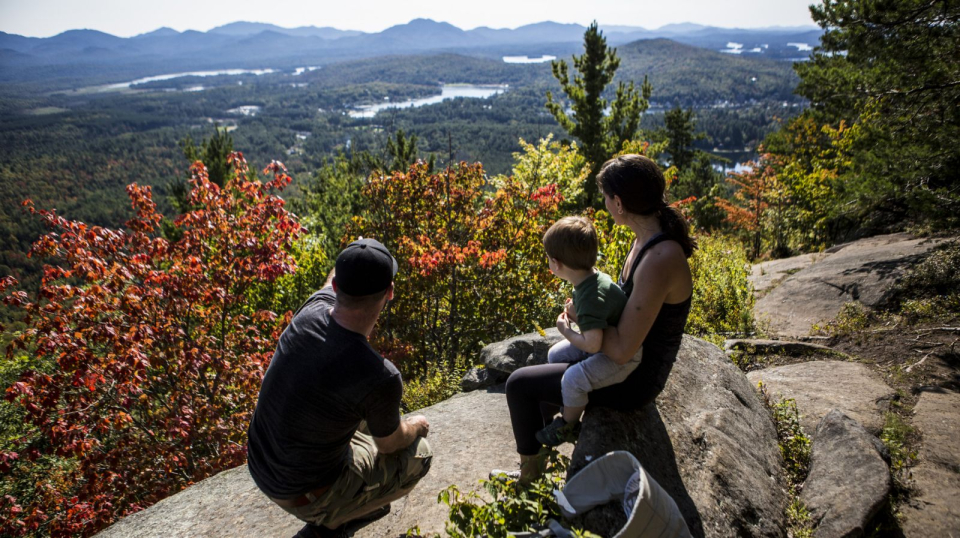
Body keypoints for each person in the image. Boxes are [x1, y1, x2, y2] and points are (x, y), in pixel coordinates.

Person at [502, 154, 696, 485]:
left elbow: (620, 350)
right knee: (548, 360)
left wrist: (583, 324)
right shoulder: (647, 238)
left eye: (606, 197)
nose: (604, 203)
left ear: (618, 203)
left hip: (634, 377)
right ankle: (542, 453)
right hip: (627, 356)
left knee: (519, 385)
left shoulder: (660, 258)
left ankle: (530, 478)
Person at [247, 238, 433, 538]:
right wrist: (415, 426)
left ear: (336, 288)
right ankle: (335, 518)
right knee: (419, 453)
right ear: (390, 292)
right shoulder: (379, 375)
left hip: (260, 464)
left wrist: (355, 252)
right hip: (302, 492)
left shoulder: (311, 311)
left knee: (358, 413)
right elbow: (389, 444)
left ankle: (341, 503)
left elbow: (335, 275)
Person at [535, 216, 632, 447]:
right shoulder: (592, 278)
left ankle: (568, 425)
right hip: (611, 344)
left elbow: (592, 344)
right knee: (555, 355)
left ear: (556, 264)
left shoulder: (590, 296)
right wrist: (578, 313)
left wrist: (565, 329)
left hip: (621, 359)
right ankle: (572, 400)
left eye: (548, 258)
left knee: (572, 378)